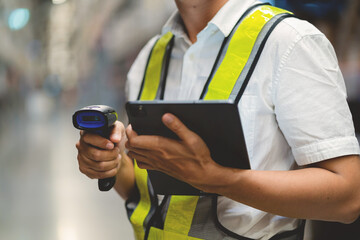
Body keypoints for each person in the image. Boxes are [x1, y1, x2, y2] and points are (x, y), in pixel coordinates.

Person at [75, 0, 360, 239]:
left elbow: (348, 197)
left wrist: (218, 180)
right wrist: (111, 163)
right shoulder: (149, 57)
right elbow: (149, 193)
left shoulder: (288, 42)